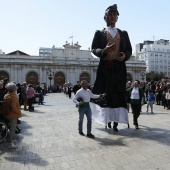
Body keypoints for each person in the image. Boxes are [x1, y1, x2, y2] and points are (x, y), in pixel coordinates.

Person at [91, 4, 132, 131]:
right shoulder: (99, 33)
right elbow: (94, 48)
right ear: (105, 17)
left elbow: (129, 49)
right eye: (110, 15)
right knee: (105, 93)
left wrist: (124, 55)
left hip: (119, 67)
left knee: (118, 93)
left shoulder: (123, 33)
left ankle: (116, 122)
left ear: (117, 18)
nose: (112, 17)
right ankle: (105, 119)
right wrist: (104, 50)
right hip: (105, 67)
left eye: (114, 15)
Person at [3, 83, 21, 149]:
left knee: (11, 128)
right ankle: (10, 144)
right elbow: (13, 107)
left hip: (7, 114)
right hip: (12, 115)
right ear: (14, 89)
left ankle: (13, 141)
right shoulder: (13, 96)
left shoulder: (6, 95)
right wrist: (19, 112)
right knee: (12, 130)